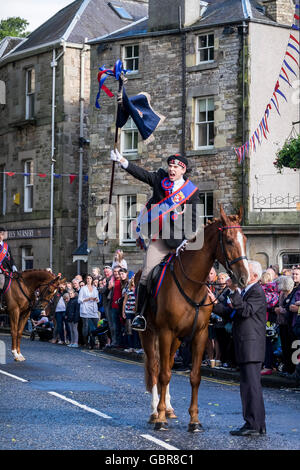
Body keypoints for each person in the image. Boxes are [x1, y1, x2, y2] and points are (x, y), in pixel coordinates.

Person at [110, 149, 201, 331]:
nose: (172, 169)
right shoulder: (160, 180)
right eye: (170, 166)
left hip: (181, 241)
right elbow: (143, 175)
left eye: (176, 166)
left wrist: (187, 240)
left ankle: (200, 310)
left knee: (198, 270)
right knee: (145, 274)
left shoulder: (191, 192)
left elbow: (193, 220)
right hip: (160, 238)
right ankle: (140, 315)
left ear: (183, 170)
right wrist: (122, 161)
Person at [208, 260, 267, 436]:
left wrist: (234, 291)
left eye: (245, 271)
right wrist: (214, 304)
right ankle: (256, 424)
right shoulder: (247, 291)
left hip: (251, 347)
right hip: (245, 345)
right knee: (248, 386)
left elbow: (245, 311)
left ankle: (254, 425)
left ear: (254, 276)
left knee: (251, 387)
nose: (241, 274)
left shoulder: (256, 291)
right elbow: (232, 314)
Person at [274, 275, 296, 374]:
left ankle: (291, 368)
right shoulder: (282, 294)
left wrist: (281, 310)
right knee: (285, 347)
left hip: (289, 323)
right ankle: (287, 367)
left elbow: (289, 309)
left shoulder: (292, 293)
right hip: (281, 323)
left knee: (291, 347)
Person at [260, 271, 279, 375]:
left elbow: (265, 303)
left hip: (266, 320)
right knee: (271, 344)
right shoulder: (275, 290)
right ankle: (271, 365)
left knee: (267, 344)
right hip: (271, 321)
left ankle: (268, 366)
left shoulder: (263, 290)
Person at [78, 274, 100, 348]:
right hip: (85, 309)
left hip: (93, 310)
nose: (88, 280)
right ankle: (86, 342)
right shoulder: (83, 288)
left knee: (96, 326)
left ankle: (94, 342)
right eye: (87, 278)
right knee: (86, 327)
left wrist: (96, 299)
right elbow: (79, 300)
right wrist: (87, 299)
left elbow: (98, 299)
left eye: (90, 278)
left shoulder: (95, 288)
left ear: (92, 280)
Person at [0, 227, 18, 309]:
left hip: (8, 271)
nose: (3, 235)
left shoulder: (6, 246)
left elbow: (11, 259)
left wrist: (13, 266)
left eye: (3, 234)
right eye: (2, 233)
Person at [107, 266, 123, 348]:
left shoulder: (123, 281)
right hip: (113, 307)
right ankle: (116, 342)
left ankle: (122, 343)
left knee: (122, 326)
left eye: (118, 271)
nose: (116, 273)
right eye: (115, 271)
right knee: (115, 326)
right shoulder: (112, 282)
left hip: (121, 307)